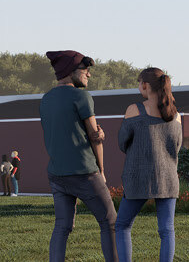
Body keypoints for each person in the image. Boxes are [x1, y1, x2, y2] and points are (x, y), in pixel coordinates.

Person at [40, 50, 116, 262]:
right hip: (84, 172)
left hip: (56, 174)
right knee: (110, 221)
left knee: (62, 227)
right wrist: (101, 171)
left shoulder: (46, 99)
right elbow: (94, 138)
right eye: (85, 69)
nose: (88, 74)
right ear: (70, 71)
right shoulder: (81, 96)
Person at [115, 67, 183, 262]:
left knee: (123, 226)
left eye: (139, 83)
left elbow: (122, 143)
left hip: (138, 178)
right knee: (166, 230)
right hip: (168, 179)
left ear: (145, 85)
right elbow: (176, 147)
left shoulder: (134, 110)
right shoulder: (176, 115)